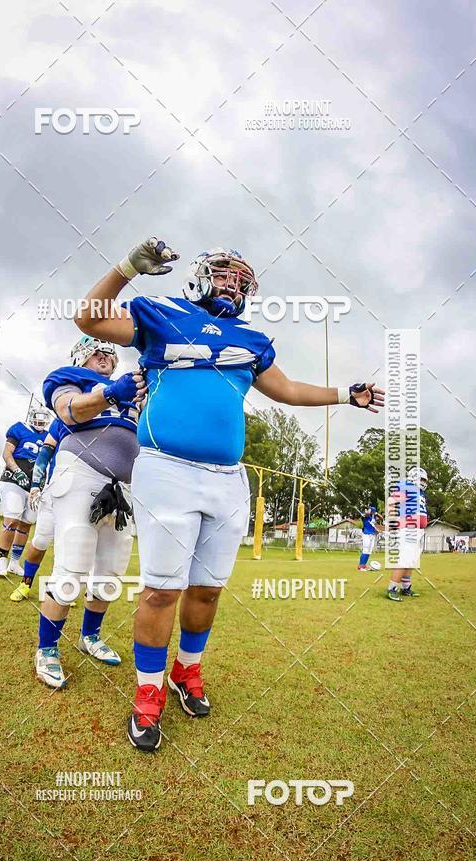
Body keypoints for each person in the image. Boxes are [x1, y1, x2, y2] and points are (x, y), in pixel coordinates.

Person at [74, 236, 384, 752]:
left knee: (208, 589)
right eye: (224, 273)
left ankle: (185, 672)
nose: (233, 283)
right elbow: (88, 319)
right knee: (159, 590)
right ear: (199, 274)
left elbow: (285, 390)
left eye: (242, 279)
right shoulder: (162, 312)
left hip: (226, 476)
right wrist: (128, 268)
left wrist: (342, 395)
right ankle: (147, 691)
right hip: (167, 468)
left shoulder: (252, 339)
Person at [33, 335, 146, 689]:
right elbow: (70, 410)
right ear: (81, 354)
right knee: (73, 563)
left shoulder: (133, 387)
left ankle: (90, 636)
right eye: (96, 350)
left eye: (109, 351)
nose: (105, 355)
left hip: (122, 485)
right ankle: (47, 648)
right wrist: (109, 394)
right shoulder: (70, 378)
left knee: (111, 571)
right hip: (80, 470)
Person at [8, 415, 68, 603]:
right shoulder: (64, 418)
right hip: (55, 488)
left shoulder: (101, 422)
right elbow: (45, 453)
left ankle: (58, 587)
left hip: (82, 494)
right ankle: (26, 584)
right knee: (41, 540)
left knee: (67, 545)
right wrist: (35, 484)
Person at [0, 408, 49, 577]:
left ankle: (14, 562)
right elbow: (7, 453)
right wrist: (16, 470)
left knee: (26, 524)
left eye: (43, 422)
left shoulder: (48, 436)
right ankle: (2, 559)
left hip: (34, 486)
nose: (40, 425)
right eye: (38, 421)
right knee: (12, 519)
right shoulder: (19, 428)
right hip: (14, 480)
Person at [385, 466, 428, 602]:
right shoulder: (407, 486)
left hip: (418, 530)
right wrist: (392, 521)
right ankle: (392, 587)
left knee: (412, 561)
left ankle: (406, 587)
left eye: (425, 480)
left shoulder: (420, 492)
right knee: (404, 559)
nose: (423, 482)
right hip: (409, 528)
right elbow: (391, 501)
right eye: (421, 479)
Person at [357, 505, 382, 570]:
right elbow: (366, 514)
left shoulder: (373, 518)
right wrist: (368, 511)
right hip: (366, 534)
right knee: (365, 550)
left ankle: (364, 565)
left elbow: (381, 518)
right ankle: (360, 566)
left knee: (369, 551)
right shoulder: (365, 516)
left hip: (372, 535)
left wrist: (376, 514)